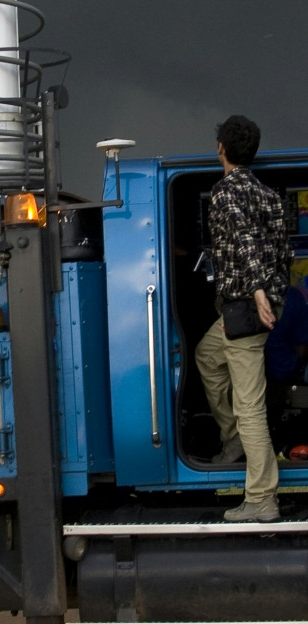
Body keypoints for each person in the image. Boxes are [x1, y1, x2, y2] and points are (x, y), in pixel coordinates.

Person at [194, 114, 291, 522]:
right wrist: (277, 294)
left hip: (246, 308)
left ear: (221, 149)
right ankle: (232, 438)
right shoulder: (269, 195)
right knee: (206, 356)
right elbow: (284, 252)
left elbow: (245, 242)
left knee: (249, 405)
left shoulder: (225, 193)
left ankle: (261, 498)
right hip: (250, 309)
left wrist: (257, 293)